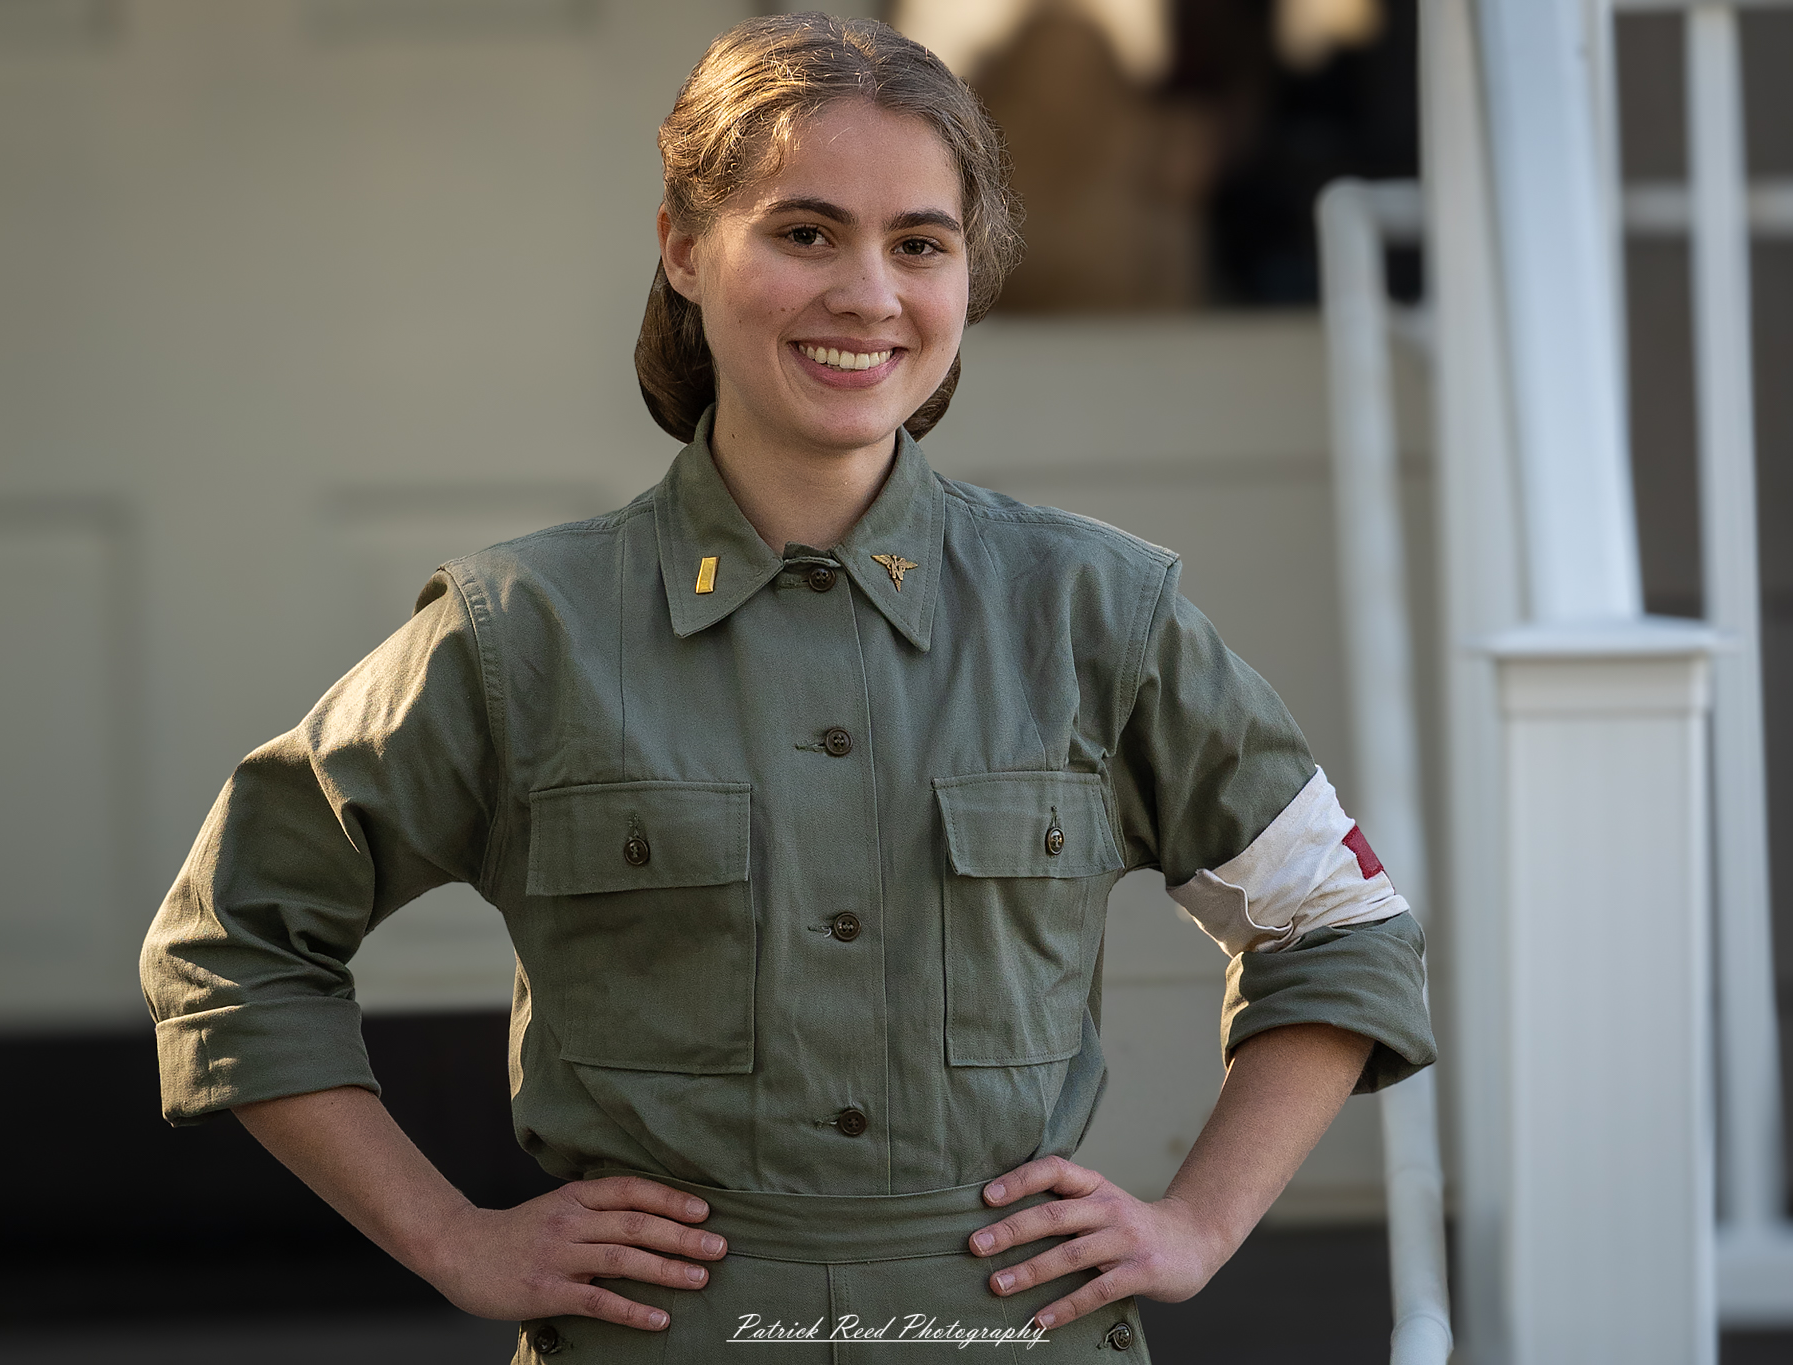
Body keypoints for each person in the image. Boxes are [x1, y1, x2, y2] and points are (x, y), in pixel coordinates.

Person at [139, 13, 1435, 1363]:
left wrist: (1199, 1223)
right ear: (683, 248)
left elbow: (1334, 922)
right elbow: (234, 939)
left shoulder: (1095, 614)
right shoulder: (522, 633)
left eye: (920, 244)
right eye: (806, 233)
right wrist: (454, 1238)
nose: (868, 294)